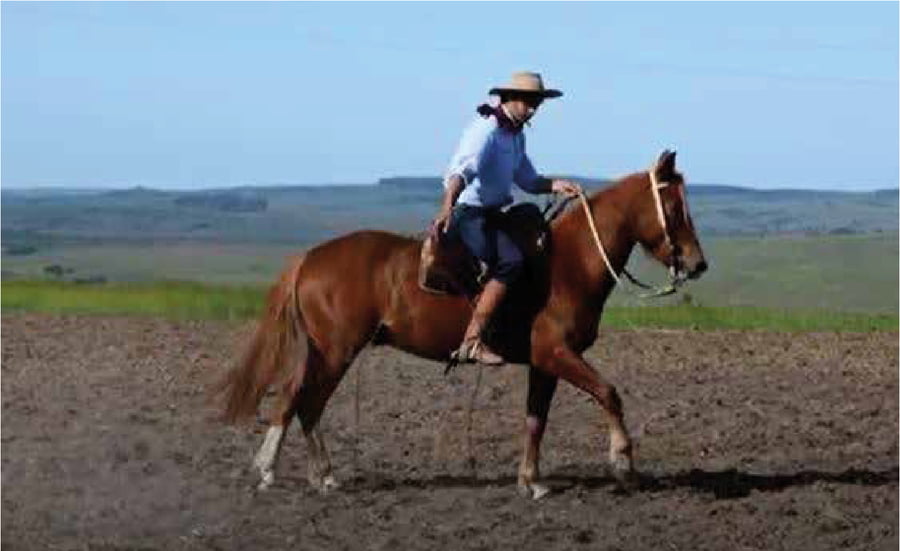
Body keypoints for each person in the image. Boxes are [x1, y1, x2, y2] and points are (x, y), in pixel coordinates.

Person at [434, 71, 582, 366]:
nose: (533, 108)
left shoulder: (516, 135)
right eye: (528, 101)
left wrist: (555, 184)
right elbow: (461, 171)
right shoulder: (486, 131)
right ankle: (472, 341)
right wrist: (447, 206)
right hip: (469, 213)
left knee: (533, 240)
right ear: (509, 98)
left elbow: (527, 179)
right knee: (510, 261)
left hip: (492, 212)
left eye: (537, 102)